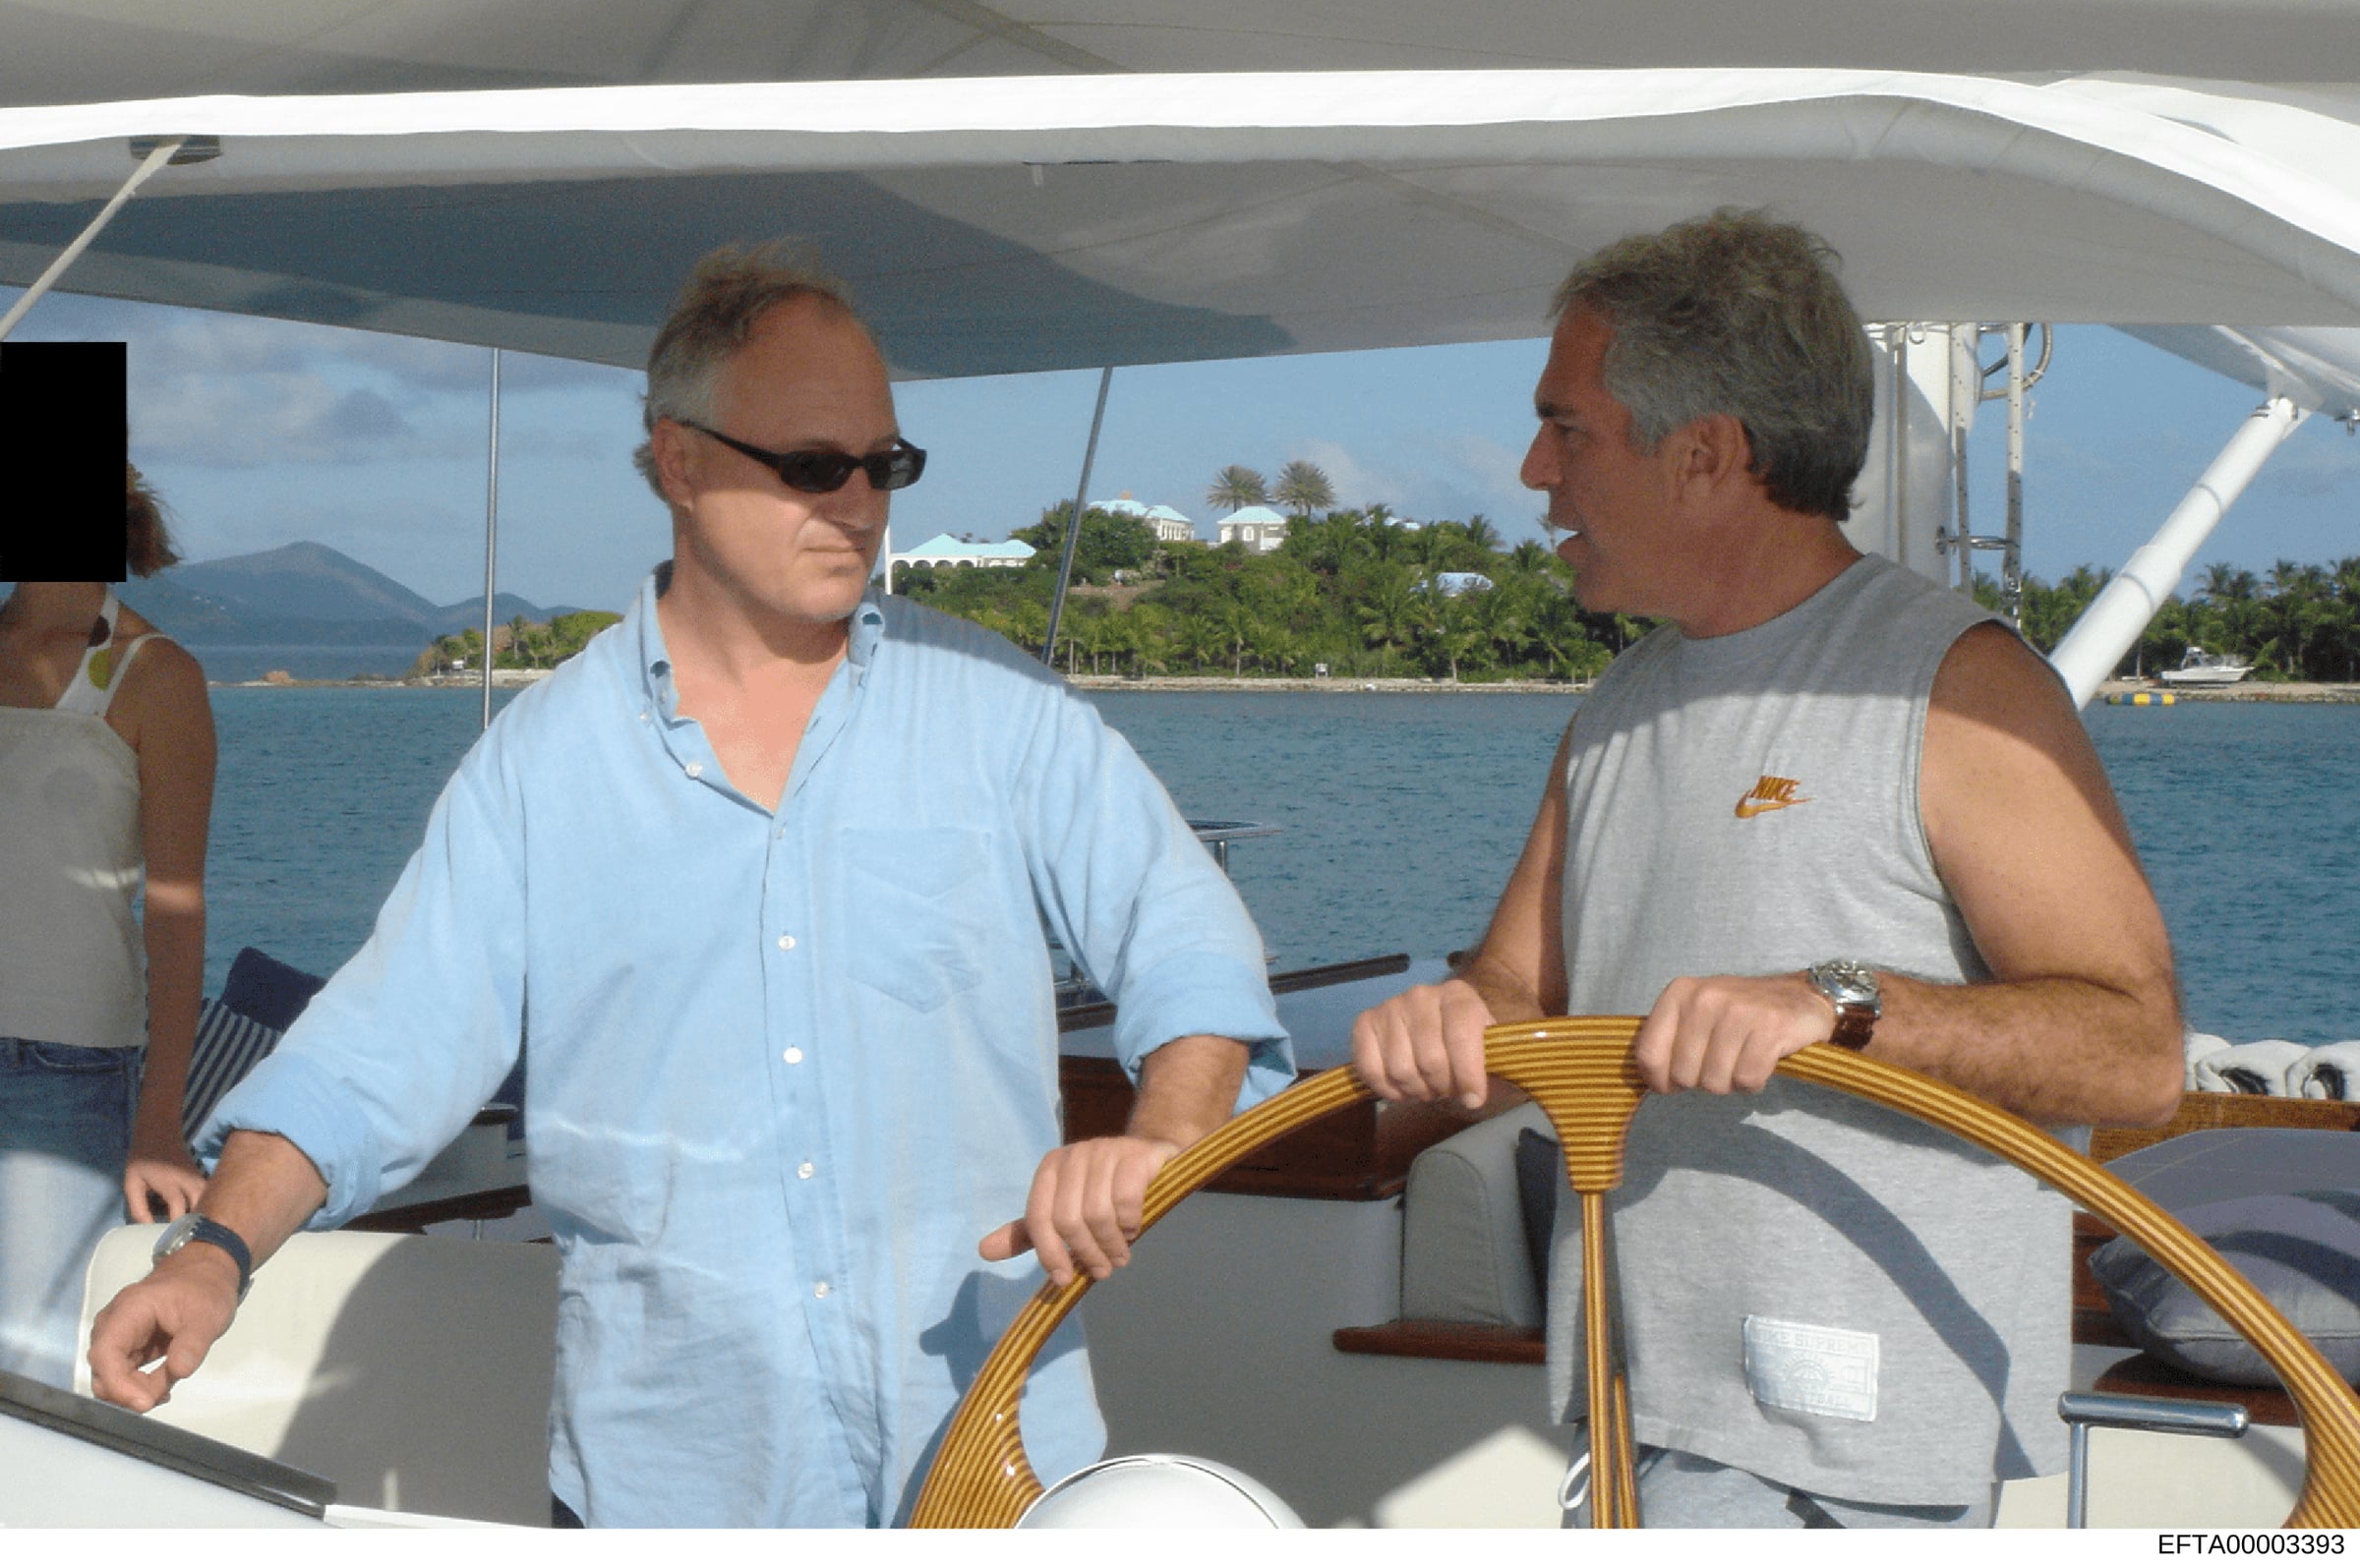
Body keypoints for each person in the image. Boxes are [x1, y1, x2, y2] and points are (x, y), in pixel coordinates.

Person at [88, 243, 1293, 1527]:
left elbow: (1190, 943)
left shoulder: (1006, 718)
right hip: (673, 1500)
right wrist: (215, 1256)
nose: (862, 506)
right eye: (814, 467)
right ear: (681, 461)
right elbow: (375, 1058)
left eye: (885, 466)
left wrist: (1158, 1141)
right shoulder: (542, 770)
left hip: (995, 1476)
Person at [1351, 209, 2182, 1529]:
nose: (1531, 471)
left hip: (1849, 1465)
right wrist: (1448, 1024)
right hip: (1635, 1421)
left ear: (1707, 455)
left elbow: (2135, 1051)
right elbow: (1517, 991)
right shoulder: (1622, 703)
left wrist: (1839, 1006)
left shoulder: (1961, 687)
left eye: (1567, 430)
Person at [1, 465, 214, 1387]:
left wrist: (159, 1119)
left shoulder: (154, 675)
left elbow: (175, 912)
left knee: (34, 1369)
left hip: (66, 1068)